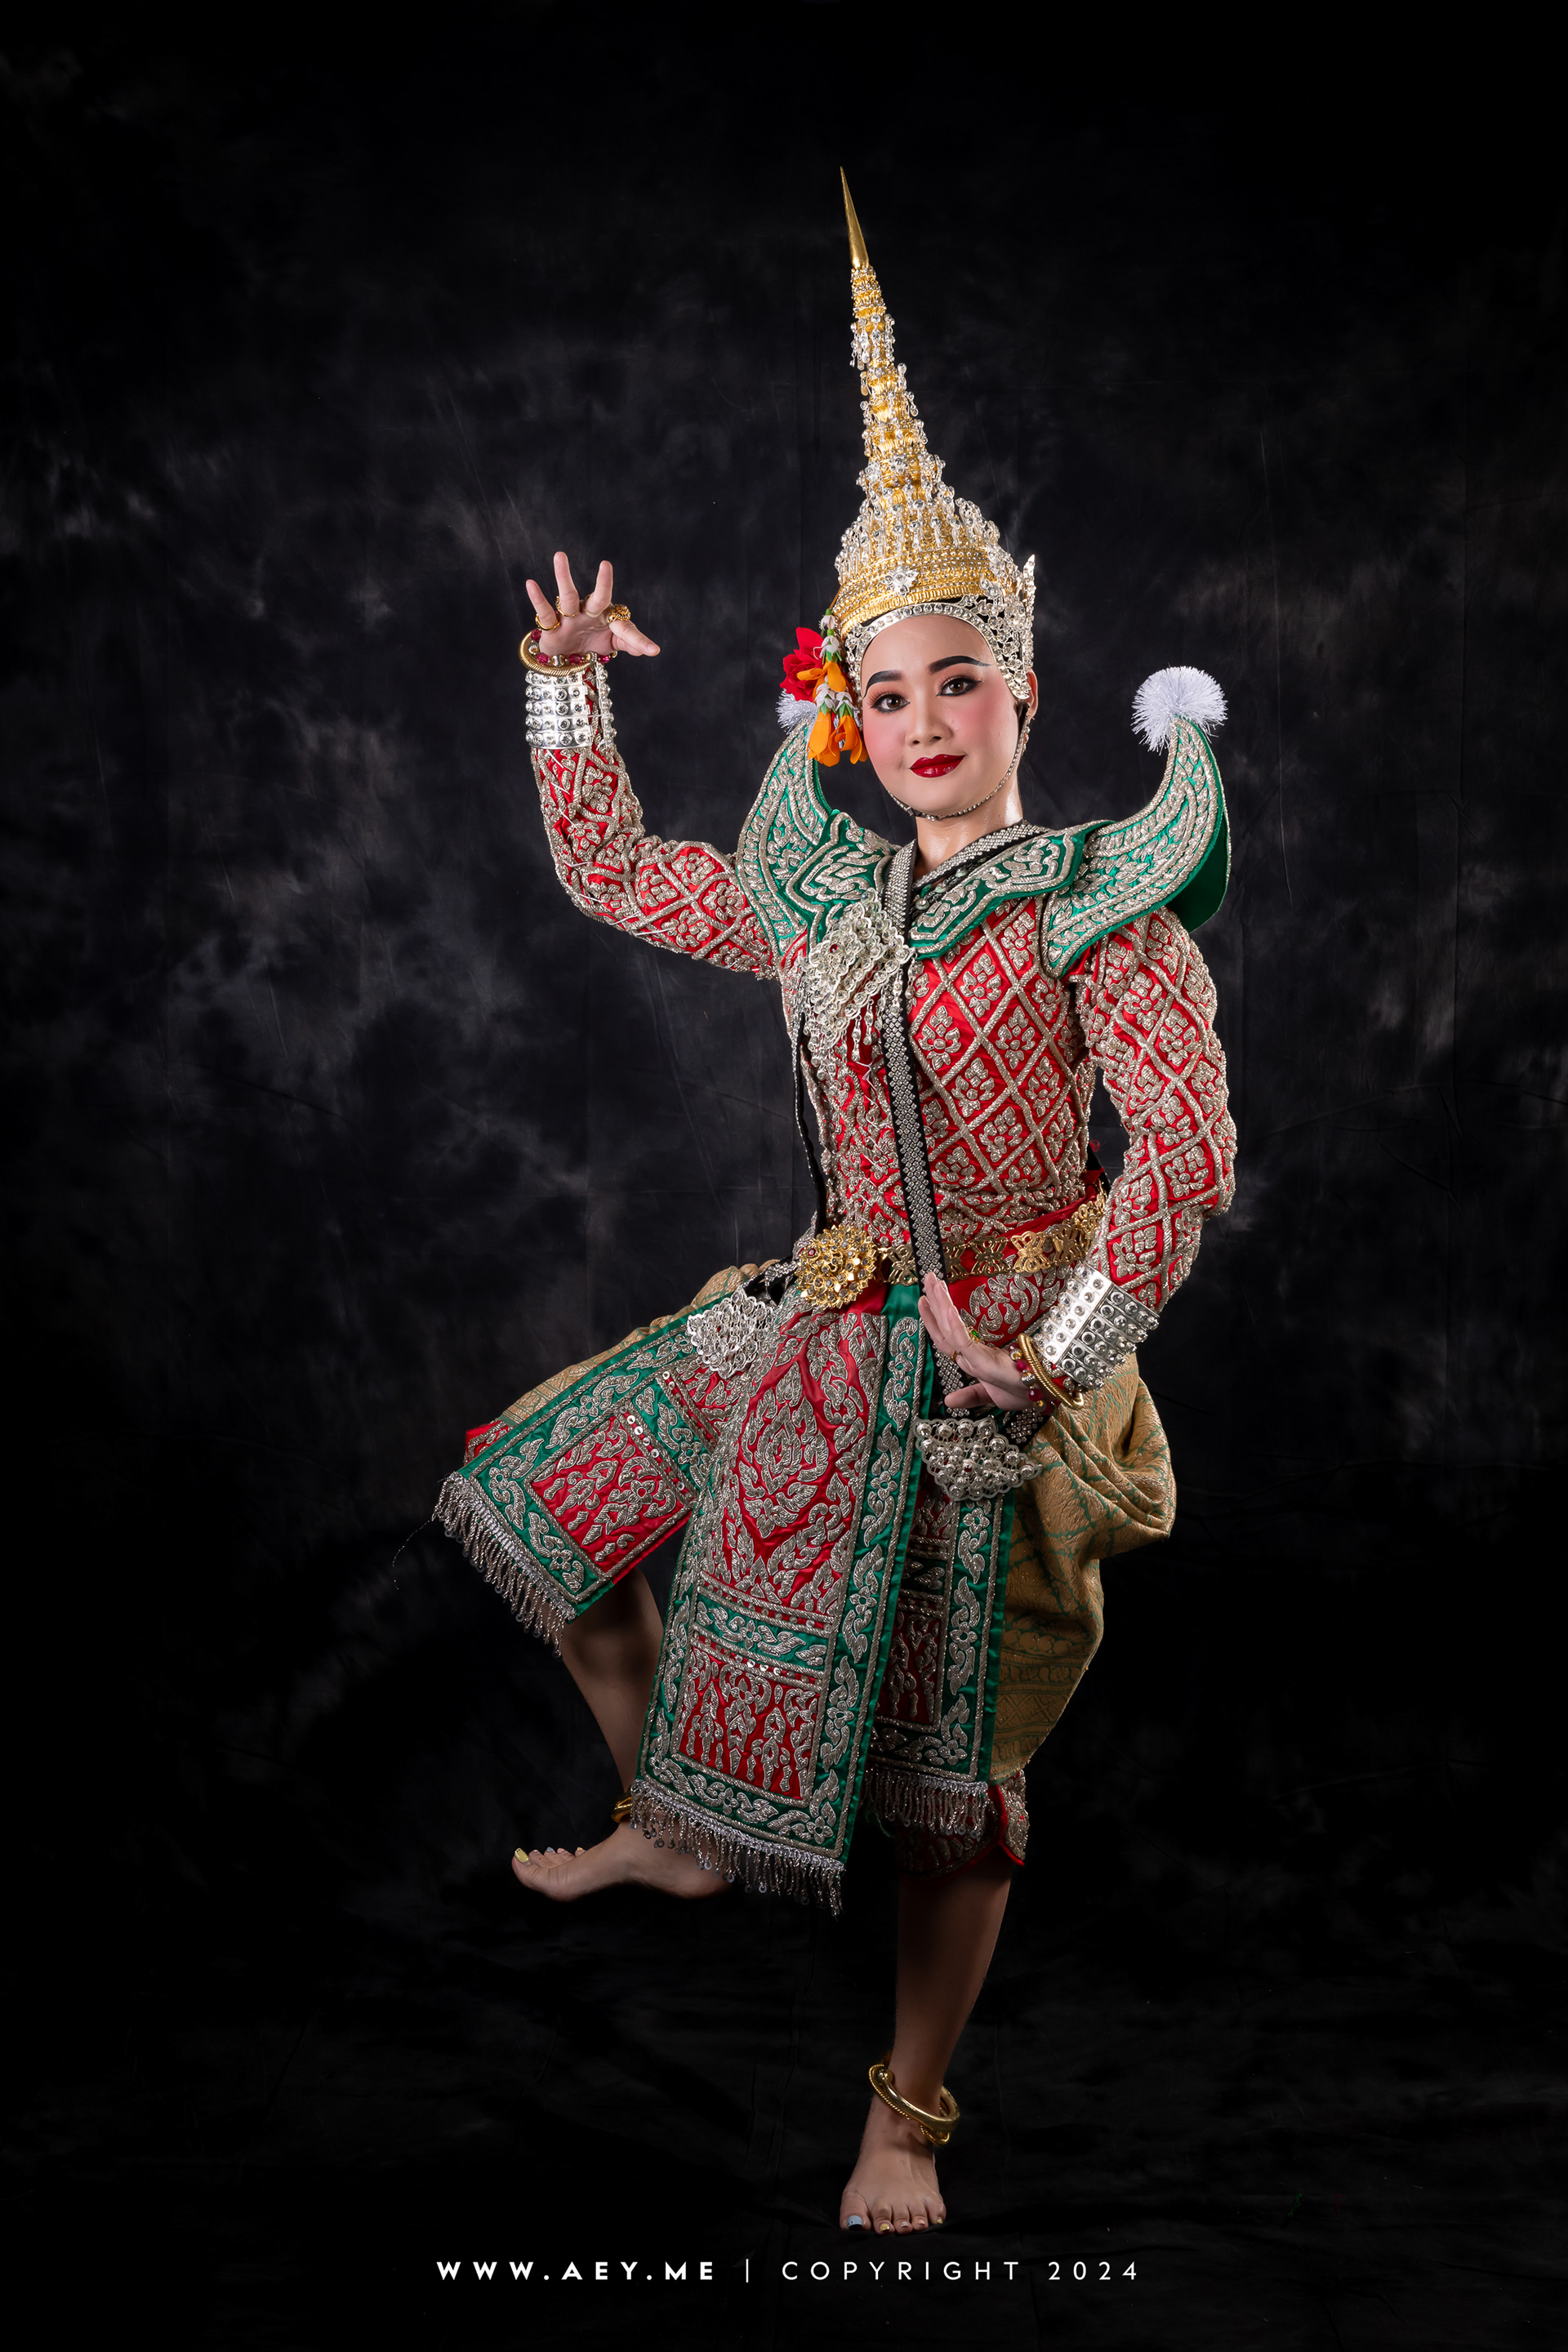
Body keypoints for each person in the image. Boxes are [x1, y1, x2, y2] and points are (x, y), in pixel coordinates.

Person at [436, 179, 1236, 2236]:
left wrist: (1051, 1356)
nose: (924, 727)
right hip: (826, 1316)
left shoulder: (1106, 910)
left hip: (1003, 1369)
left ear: (1025, 692)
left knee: (954, 1792)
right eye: (888, 698)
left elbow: (1186, 1166)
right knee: (547, 1502)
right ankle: (680, 1815)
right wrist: (566, 692)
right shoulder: (822, 901)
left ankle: (909, 2113)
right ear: (850, 719)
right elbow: (620, 876)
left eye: (958, 684)